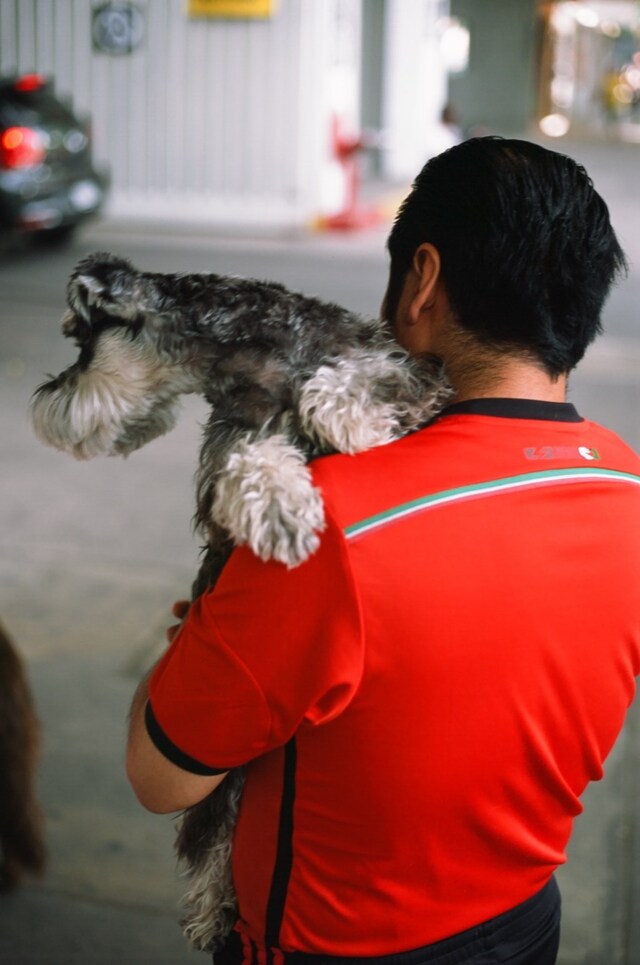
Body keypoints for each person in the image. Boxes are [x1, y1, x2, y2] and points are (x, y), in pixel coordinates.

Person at [126, 137, 640, 965]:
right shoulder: (626, 482)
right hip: (525, 928)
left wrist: (205, 630)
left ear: (422, 278)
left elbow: (161, 774)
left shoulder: (325, 523)